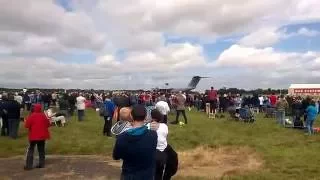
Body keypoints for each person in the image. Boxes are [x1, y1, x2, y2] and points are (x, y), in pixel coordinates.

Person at [113, 104, 157, 180]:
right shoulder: (153, 135)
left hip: (129, 175)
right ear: (146, 117)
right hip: (147, 175)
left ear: (131, 116)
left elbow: (116, 156)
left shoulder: (122, 137)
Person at [24, 104, 50, 170]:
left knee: (31, 150)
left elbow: (26, 125)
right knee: (41, 150)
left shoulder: (31, 116)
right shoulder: (43, 116)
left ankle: (29, 165)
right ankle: (42, 164)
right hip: (42, 136)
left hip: (33, 136)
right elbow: (48, 124)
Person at [150, 109, 168, 180]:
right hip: (162, 152)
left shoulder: (147, 126)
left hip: (151, 153)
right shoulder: (164, 126)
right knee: (159, 173)